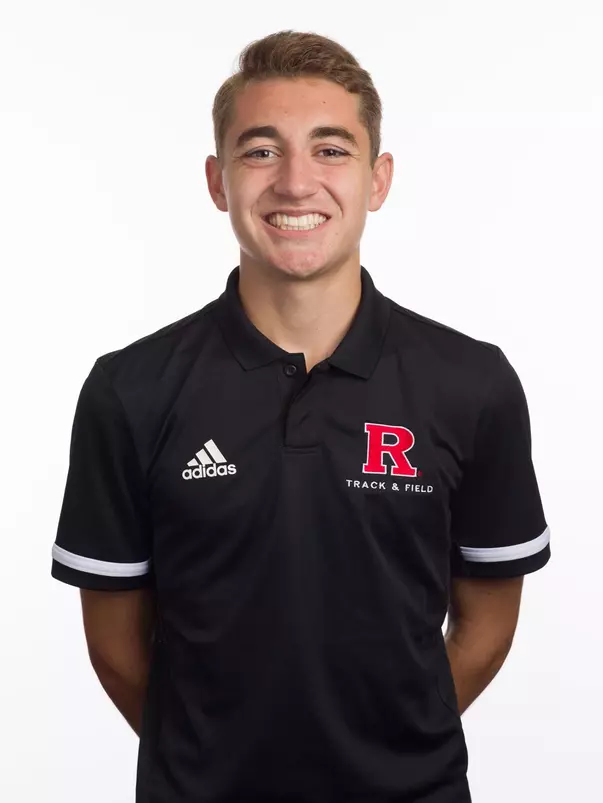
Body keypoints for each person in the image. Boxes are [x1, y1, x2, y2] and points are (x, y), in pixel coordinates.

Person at [50, 29, 551, 803]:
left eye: (330, 150)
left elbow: (487, 623)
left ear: (376, 178)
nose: (294, 182)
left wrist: (390, 751)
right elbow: (115, 647)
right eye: (260, 151)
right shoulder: (131, 388)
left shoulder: (470, 382)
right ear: (217, 181)